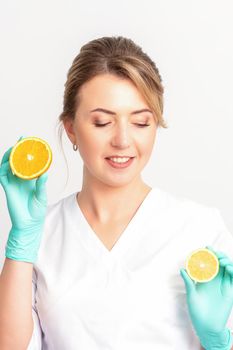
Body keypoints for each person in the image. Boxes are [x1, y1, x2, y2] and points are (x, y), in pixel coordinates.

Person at [0, 36, 233, 350]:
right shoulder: (40, 236)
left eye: (140, 121)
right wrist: (20, 245)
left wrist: (217, 342)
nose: (123, 140)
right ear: (70, 127)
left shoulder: (199, 229)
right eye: (102, 122)